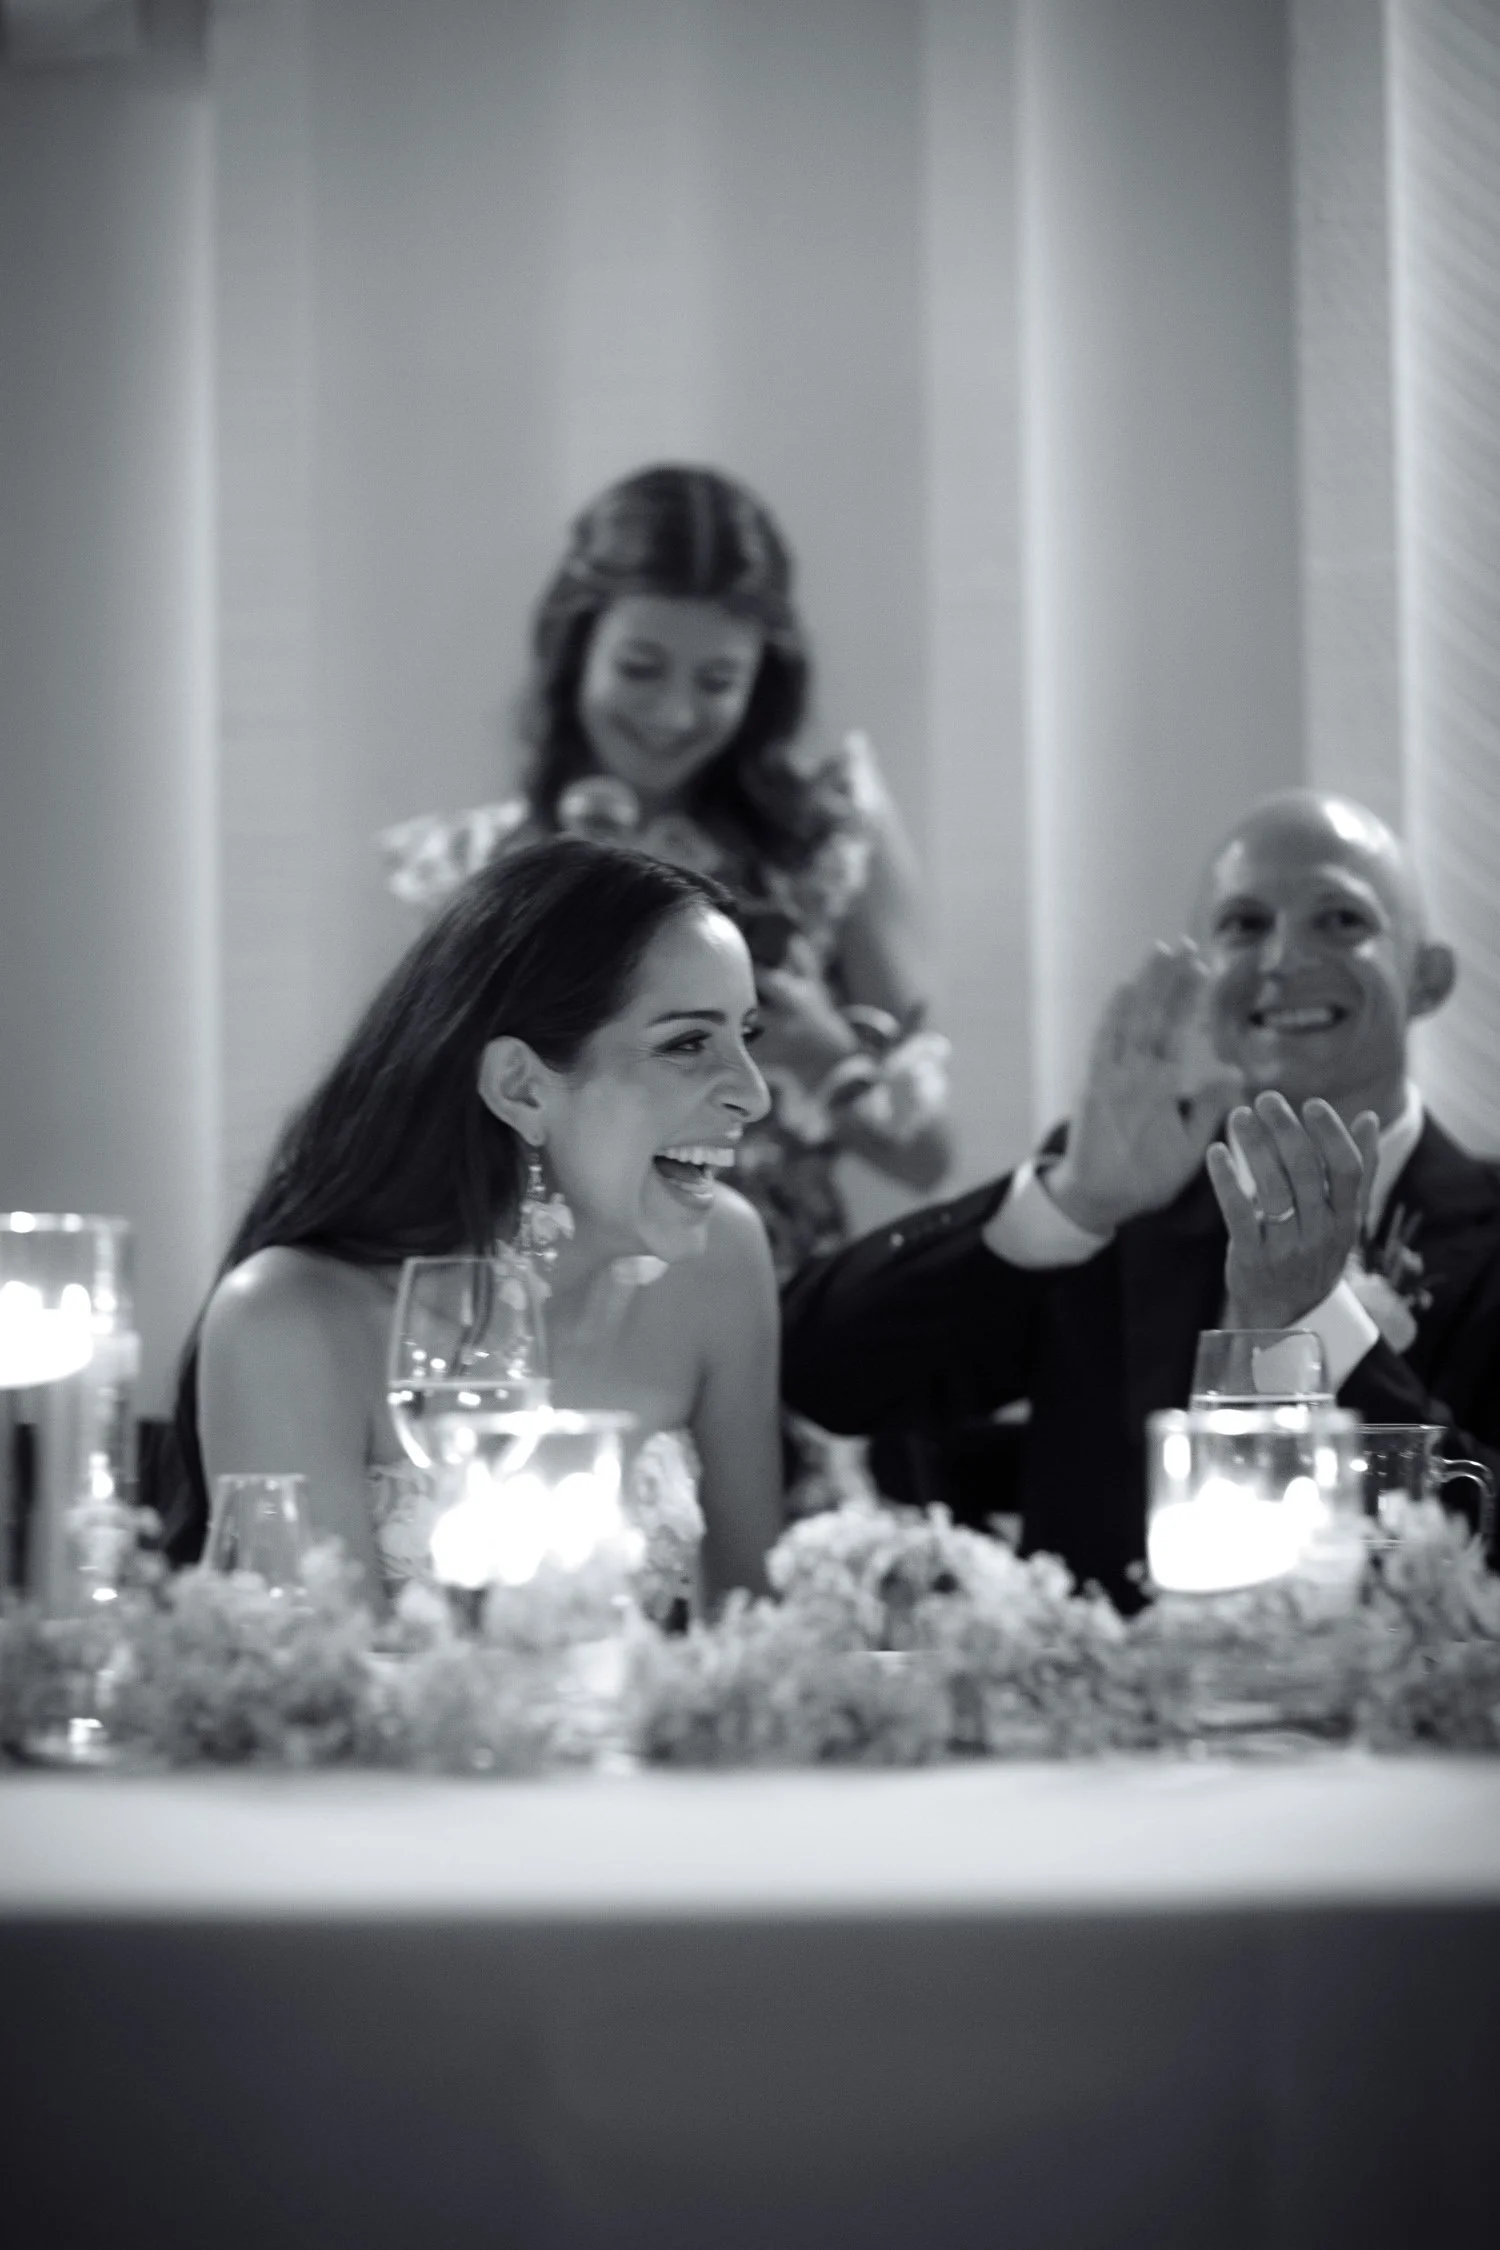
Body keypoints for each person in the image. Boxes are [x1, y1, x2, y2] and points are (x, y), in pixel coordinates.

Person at [782, 790, 1500, 1606]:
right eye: (1244, 925)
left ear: (1428, 978)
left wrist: (1317, 1323)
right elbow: (821, 1373)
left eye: (1340, 919)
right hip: (1120, 1715)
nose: (1282, 959)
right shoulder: (1124, 1198)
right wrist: (1073, 1202)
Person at [171, 837, 783, 1613]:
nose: (753, 1095)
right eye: (689, 1043)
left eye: (747, 1036)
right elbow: (310, 1704)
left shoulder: (723, 1261)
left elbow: (758, 1638)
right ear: (522, 1086)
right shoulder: (286, 1322)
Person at [379, 463, 953, 1286]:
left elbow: (928, 1156)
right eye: (641, 669)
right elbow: (419, 1148)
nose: (673, 715)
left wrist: (823, 1052)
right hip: (554, 1304)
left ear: (761, 683)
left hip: (776, 1298)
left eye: (716, 681)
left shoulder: (823, 841)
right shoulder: (473, 868)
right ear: (577, 647)